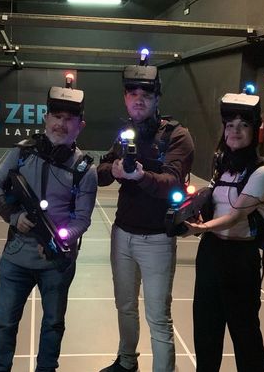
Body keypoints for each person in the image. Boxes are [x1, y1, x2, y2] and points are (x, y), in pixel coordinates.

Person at [0, 76, 97, 372]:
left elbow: (82, 219)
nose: (61, 124)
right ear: (46, 118)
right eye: (56, 116)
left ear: (80, 125)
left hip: (56, 263)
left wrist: (61, 238)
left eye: (69, 119)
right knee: (4, 324)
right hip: (16, 259)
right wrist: (13, 217)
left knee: (53, 325)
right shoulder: (22, 152)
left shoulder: (85, 169)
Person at [98, 51, 194, 372]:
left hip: (157, 240)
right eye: (132, 93)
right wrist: (113, 169)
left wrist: (140, 176)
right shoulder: (126, 133)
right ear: (125, 97)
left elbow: (172, 182)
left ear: (157, 98)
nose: (138, 99)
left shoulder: (177, 136)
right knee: (125, 307)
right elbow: (101, 171)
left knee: (158, 317)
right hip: (122, 234)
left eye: (146, 94)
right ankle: (127, 362)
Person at [182, 92, 264, 372]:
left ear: (255, 131)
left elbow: (235, 216)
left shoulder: (263, 173)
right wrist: (195, 212)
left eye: (243, 125)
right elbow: (216, 205)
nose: (235, 131)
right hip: (211, 253)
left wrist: (201, 227)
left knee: (245, 334)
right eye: (230, 125)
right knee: (206, 330)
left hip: (240, 259)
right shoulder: (222, 166)